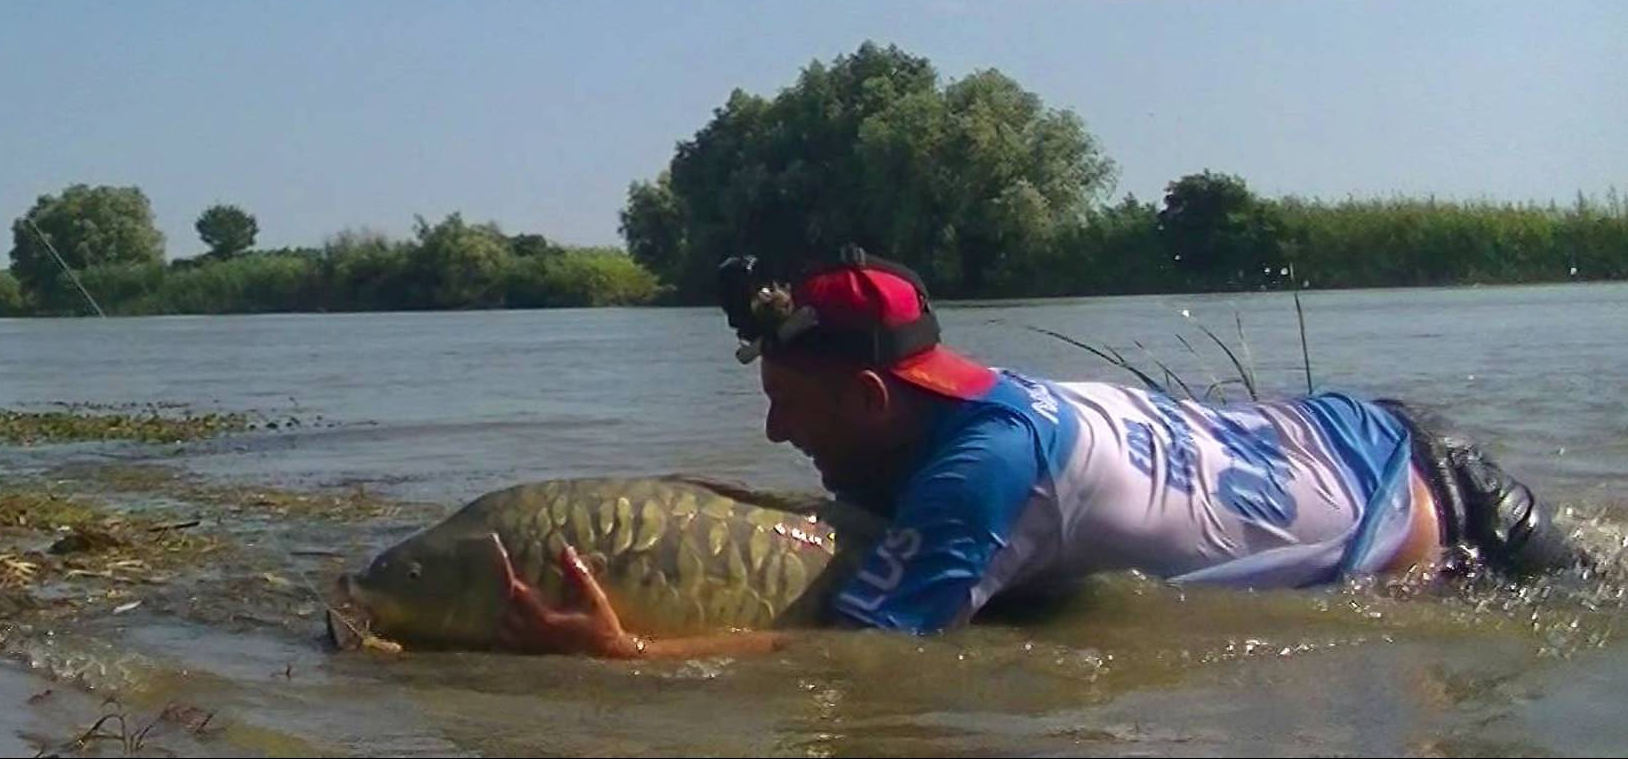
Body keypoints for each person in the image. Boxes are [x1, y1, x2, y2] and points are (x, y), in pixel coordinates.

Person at [494, 247, 1584, 660]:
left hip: (1434, 499)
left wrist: (624, 656)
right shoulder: (973, 411)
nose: (773, 432)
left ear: (876, 395)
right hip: (1353, 428)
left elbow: (858, 656)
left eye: (788, 405)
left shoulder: (985, 470)